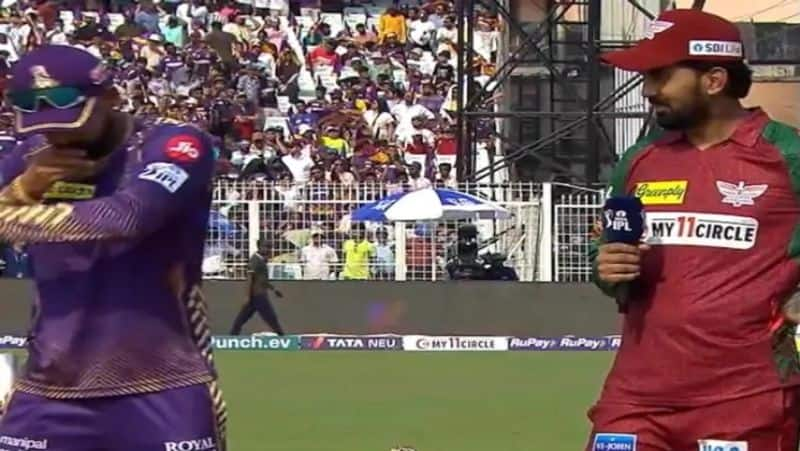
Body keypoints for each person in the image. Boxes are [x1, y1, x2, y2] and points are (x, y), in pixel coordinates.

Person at [588, 9, 800, 451]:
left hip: (746, 400)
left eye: (661, 76)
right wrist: (607, 268)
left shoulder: (786, 155)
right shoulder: (640, 159)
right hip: (635, 400)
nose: (648, 91)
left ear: (714, 80)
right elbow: (611, 265)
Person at [0, 45, 226, 450]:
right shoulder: (32, 155)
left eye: (71, 122)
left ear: (110, 98)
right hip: (48, 391)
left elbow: (129, 216)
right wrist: (23, 188)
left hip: (164, 387)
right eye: (42, 126)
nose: (55, 135)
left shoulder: (174, 144)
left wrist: (9, 214)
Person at [230, 238, 286, 335]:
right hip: (258, 295)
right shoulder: (255, 260)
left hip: (256, 296)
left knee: (241, 319)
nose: (269, 249)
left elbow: (262, 280)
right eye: (266, 247)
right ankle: (283, 339)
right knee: (271, 318)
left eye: (270, 247)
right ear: (259, 247)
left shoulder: (261, 260)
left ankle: (231, 337)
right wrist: (247, 296)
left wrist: (274, 289)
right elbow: (249, 278)